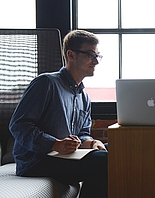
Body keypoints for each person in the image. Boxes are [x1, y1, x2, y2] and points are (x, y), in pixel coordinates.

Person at [9, 30, 108, 198]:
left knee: (116, 153)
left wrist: (91, 143)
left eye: (98, 56)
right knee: (104, 162)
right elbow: (18, 125)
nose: (96, 61)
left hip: (66, 157)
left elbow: (82, 134)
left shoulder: (83, 96)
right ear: (71, 55)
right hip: (37, 161)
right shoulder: (46, 83)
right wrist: (54, 144)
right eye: (91, 55)